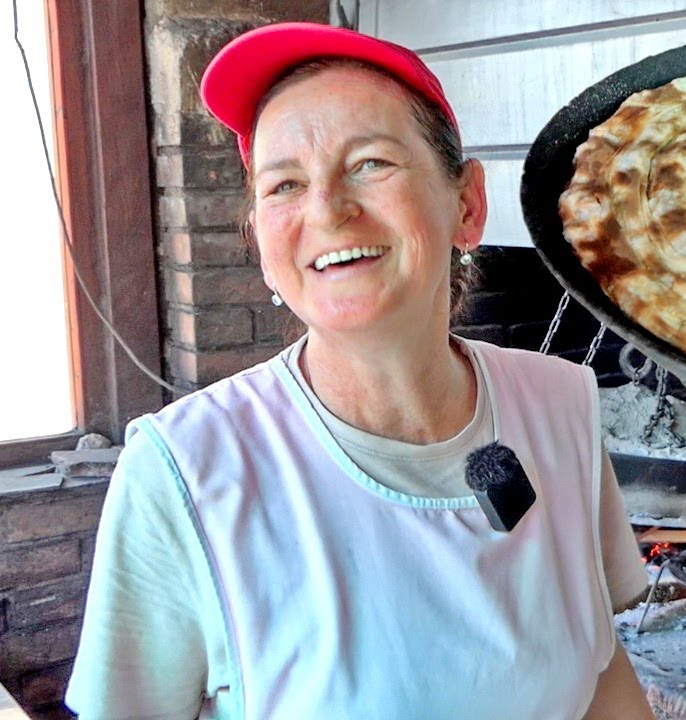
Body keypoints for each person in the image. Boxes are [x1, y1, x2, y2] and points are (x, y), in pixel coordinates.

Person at [65, 22, 655, 720]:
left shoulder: (561, 404)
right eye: (284, 184)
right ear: (260, 242)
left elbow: (600, 671)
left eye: (371, 163)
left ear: (466, 205)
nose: (327, 210)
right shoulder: (186, 471)